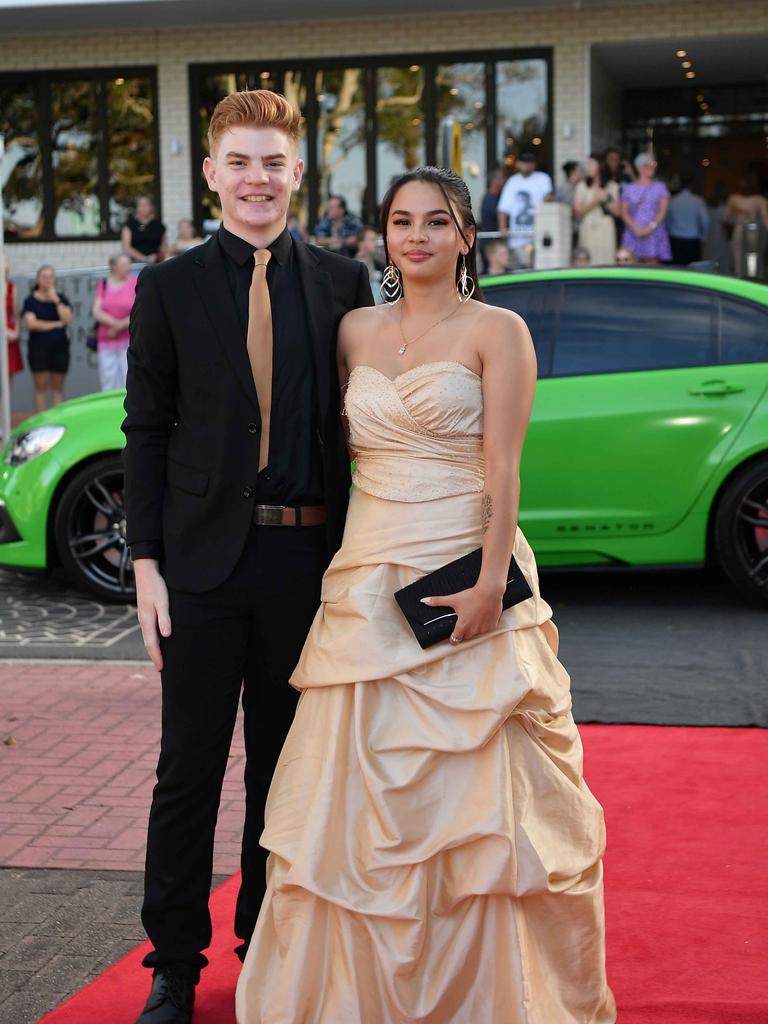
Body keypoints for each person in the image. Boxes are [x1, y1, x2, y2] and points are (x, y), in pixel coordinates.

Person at [236, 166, 616, 1023]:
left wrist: (489, 582)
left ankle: (491, 994)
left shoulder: (498, 328)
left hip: (462, 569)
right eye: (402, 222)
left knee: (477, 794)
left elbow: (505, 468)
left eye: (436, 222)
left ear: (466, 235)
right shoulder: (354, 331)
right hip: (368, 576)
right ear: (383, 235)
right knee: (352, 793)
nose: (417, 237)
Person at [123, 89, 373, 1024]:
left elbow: (368, 425)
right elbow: (145, 431)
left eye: (274, 162)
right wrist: (146, 567)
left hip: (308, 567)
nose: (257, 178)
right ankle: (175, 965)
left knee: (286, 770)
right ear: (211, 173)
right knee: (187, 769)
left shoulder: (347, 282)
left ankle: (269, 949)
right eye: (240, 162)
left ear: (299, 172)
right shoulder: (169, 287)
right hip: (197, 571)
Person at [21, 265, 72, 412]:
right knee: (40, 389)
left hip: (60, 348)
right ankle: (41, 424)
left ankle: (57, 421)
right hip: (38, 349)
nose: (48, 280)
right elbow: (31, 324)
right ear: (38, 279)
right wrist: (57, 324)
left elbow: (67, 319)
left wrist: (55, 300)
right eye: (44, 276)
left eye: (51, 276)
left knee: (57, 389)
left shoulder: (61, 299)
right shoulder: (30, 300)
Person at [496, 151, 553, 268]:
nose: (528, 165)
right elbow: (503, 209)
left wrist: (548, 198)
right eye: (525, 162)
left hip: (538, 238)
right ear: (518, 164)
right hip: (517, 240)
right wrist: (502, 228)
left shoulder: (543, 178)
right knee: (518, 273)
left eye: (531, 162)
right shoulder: (512, 181)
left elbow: (549, 200)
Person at [92, 253, 137, 391]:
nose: (128, 267)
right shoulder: (104, 284)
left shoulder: (135, 282)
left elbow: (139, 310)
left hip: (128, 340)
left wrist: (120, 326)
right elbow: (96, 311)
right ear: (114, 267)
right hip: (106, 339)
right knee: (108, 380)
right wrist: (114, 324)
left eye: (129, 264)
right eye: (124, 264)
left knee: (128, 379)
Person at [620, 152, 671, 264]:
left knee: (652, 268)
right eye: (648, 165)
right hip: (633, 232)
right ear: (639, 167)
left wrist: (649, 228)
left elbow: (662, 211)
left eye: (654, 164)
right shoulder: (629, 188)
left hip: (653, 232)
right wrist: (636, 229)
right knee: (631, 265)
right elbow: (624, 212)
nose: (652, 167)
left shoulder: (660, 187)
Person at [574, 154, 620, 265]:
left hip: (606, 226)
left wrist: (606, 199)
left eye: (591, 164)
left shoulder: (612, 186)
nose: (588, 167)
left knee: (606, 259)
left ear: (600, 166)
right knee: (587, 259)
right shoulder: (582, 186)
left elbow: (618, 212)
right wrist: (595, 200)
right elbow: (578, 213)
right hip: (588, 226)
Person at [722, 174, 768, 279]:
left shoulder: (733, 198)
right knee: (752, 254)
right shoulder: (759, 199)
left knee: (737, 253)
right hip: (753, 227)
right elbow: (765, 218)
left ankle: (739, 276)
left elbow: (725, 218)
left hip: (739, 227)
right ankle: (751, 278)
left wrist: (737, 213)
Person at [666, 175, 710, 265]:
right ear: (692, 186)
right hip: (692, 240)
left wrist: (669, 231)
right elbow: (705, 220)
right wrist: (704, 236)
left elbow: (666, 220)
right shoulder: (698, 200)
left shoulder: (673, 200)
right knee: (692, 271)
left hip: (675, 239)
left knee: (676, 269)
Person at [2, 254, 24, 429]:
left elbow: (16, 314)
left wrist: (16, 331)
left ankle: (5, 423)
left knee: (7, 385)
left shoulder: (10, 287)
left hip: (9, 338)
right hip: (3, 333)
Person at [121, 195, 167, 264]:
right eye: (140, 205)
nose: (143, 207)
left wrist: (159, 257)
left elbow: (163, 247)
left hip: (156, 263)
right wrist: (145, 259)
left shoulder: (158, 225)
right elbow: (126, 247)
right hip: (135, 263)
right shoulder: (130, 225)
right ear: (137, 207)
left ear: (151, 207)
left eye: (146, 204)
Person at [603, 146, 635, 245]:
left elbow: (638, 191)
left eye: (616, 159)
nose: (613, 162)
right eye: (611, 159)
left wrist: (631, 174)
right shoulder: (601, 176)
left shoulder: (625, 176)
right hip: (606, 220)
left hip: (624, 221)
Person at [478, 165, 506, 265]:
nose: (504, 180)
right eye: (501, 177)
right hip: (489, 243)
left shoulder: (494, 198)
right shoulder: (489, 199)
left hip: (491, 242)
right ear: (494, 181)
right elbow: (499, 215)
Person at [354, 225, 384, 301]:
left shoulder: (378, 263)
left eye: (376, 240)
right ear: (360, 243)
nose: (375, 243)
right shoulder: (354, 266)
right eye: (372, 240)